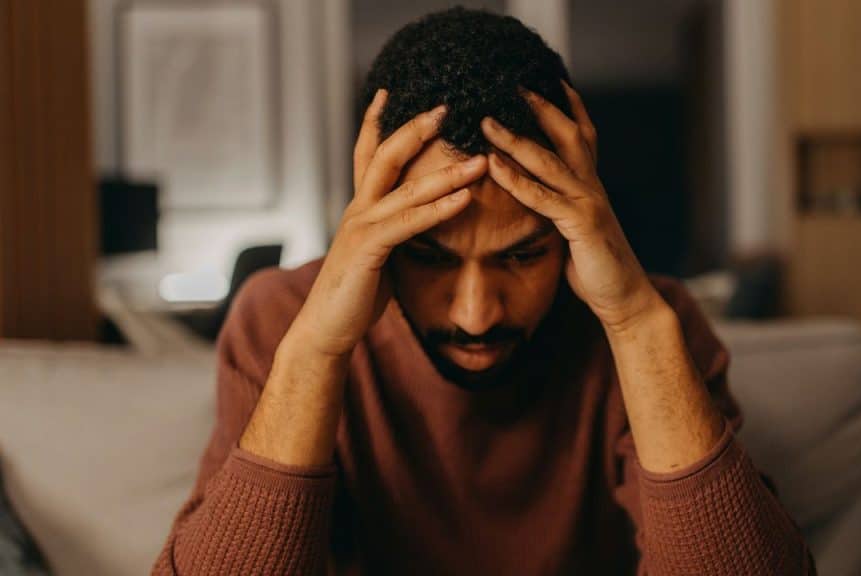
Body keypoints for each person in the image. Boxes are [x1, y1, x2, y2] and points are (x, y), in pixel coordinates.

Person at [152, 7, 814, 575]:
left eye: (524, 254)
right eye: (428, 257)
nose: (475, 314)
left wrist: (637, 323)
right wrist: (319, 349)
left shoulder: (653, 323)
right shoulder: (280, 321)